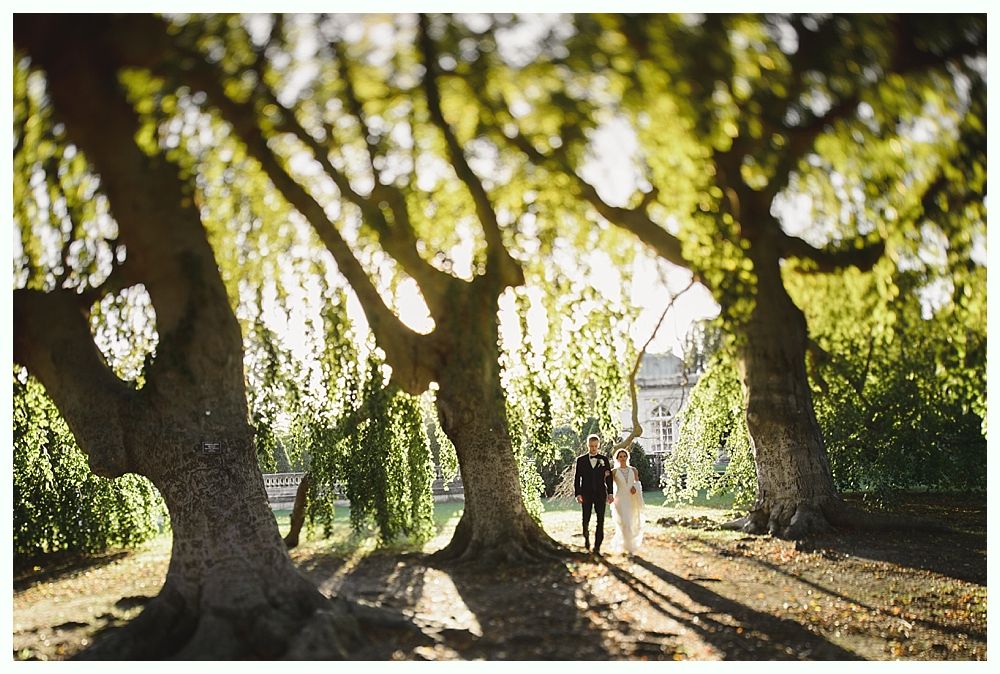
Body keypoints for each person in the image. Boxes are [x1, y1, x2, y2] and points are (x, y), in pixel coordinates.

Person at [574, 433, 614, 555]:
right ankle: (586, 539)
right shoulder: (581, 460)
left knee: (600, 520)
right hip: (586, 493)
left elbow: (609, 478)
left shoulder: (604, 460)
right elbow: (577, 479)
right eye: (591, 446)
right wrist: (578, 494)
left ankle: (597, 547)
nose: (593, 448)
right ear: (588, 446)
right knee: (585, 519)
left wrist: (610, 493)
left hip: (600, 494)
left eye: (596, 446)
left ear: (598, 446)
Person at [609, 448, 645, 554]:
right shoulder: (614, 472)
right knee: (624, 522)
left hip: (631, 498)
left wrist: (634, 487)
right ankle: (625, 546)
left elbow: (638, 483)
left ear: (627, 457)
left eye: (624, 456)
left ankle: (630, 546)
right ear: (617, 458)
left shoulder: (633, 470)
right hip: (619, 499)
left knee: (631, 521)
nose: (623, 458)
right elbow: (608, 484)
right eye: (620, 456)